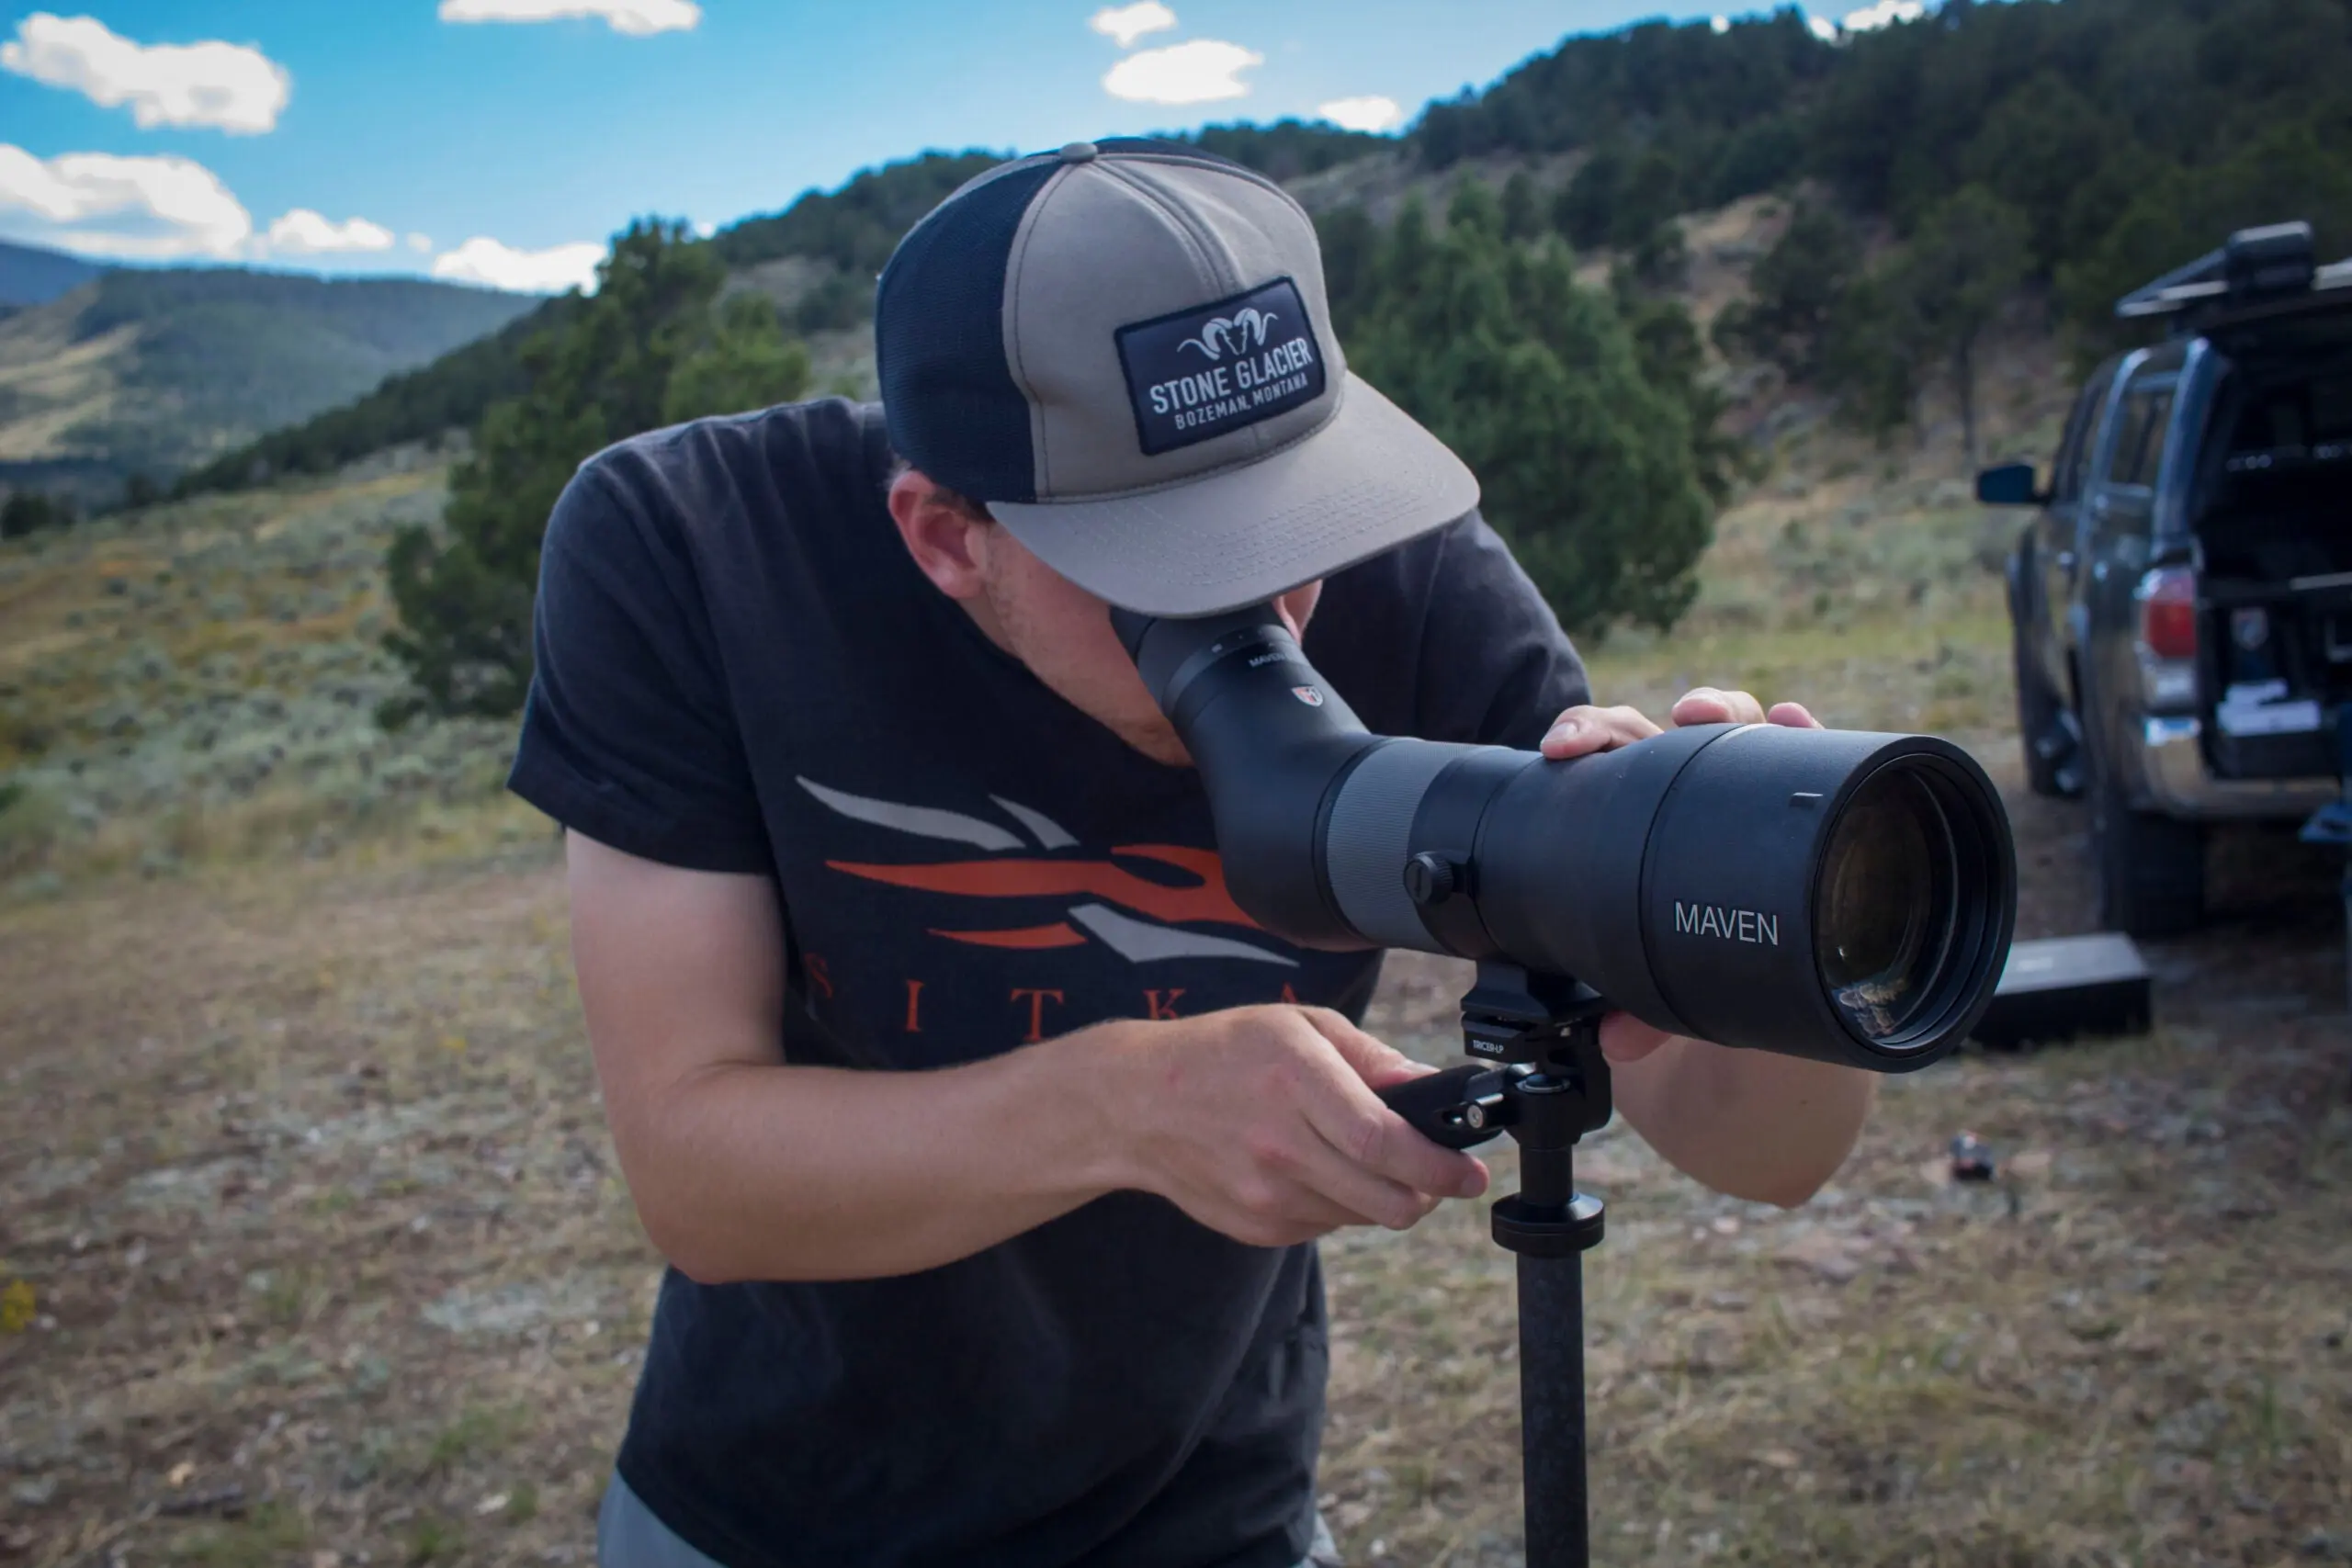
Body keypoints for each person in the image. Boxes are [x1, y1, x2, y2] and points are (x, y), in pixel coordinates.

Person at [510, 139, 1871, 1568]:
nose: (1267, 612)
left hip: (1214, 1509)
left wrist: (1769, 916)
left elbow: (1765, 1154)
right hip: (777, 1516)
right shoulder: (698, 546)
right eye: (1171, 567)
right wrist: (1125, 1106)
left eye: (1290, 524)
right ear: (945, 536)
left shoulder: (1411, 576)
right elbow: (697, 1172)